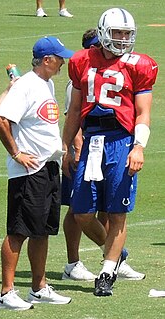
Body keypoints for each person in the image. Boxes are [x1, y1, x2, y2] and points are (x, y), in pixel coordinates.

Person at [62, 7, 158, 297]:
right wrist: (66, 145)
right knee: (81, 212)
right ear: (103, 32)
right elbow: (75, 109)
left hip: (121, 139)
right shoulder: (81, 61)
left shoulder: (139, 65)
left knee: (117, 212)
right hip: (92, 140)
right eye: (118, 33)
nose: (123, 39)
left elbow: (143, 113)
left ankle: (106, 271)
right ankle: (116, 255)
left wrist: (139, 146)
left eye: (127, 34)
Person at [0, 36, 74, 310]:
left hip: (48, 167)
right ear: (47, 60)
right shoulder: (26, 85)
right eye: (59, 57)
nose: (63, 61)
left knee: (42, 231)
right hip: (28, 170)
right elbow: (1, 120)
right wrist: (17, 153)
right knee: (18, 231)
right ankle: (6, 293)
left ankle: (38, 288)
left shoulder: (47, 83)